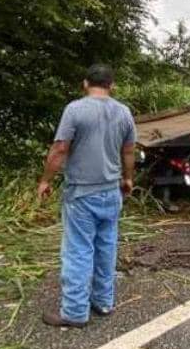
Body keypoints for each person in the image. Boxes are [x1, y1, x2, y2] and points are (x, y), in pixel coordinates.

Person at [37, 63, 137, 327]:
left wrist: (46, 180)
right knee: (106, 247)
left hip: (82, 193)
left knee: (79, 251)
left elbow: (60, 149)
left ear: (85, 83)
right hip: (111, 191)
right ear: (111, 85)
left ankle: (74, 311)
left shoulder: (75, 109)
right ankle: (103, 302)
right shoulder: (124, 112)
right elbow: (129, 151)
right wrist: (128, 178)